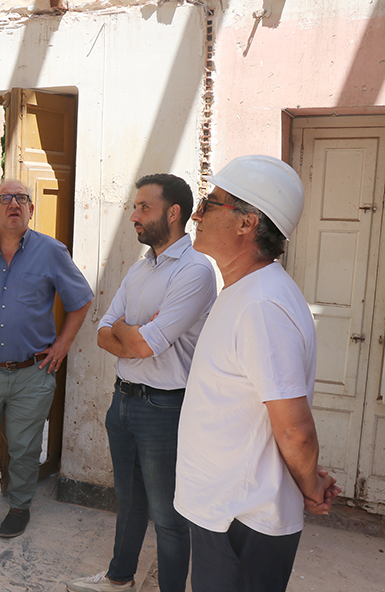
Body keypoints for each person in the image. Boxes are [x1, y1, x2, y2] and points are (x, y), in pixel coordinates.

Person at [174, 155, 341, 592]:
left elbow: (295, 431)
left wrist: (310, 487)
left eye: (210, 203)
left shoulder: (262, 305)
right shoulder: (245, 292)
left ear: (247, 223)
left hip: (244, 518)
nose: (197, 213)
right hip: (227, 512)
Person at [67, 175, 216, 592]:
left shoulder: (196, 271)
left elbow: (146, 346)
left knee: (168, 516)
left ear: (173, 213)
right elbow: (102, 332)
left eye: (143, 207)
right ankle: (119, 579)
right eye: (134, 207)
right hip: (124, 402)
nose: (134, 216)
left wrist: (131, 334)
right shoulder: (138, 270)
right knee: (129, 503)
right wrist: (133, 333)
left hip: (165, 409)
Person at [0, 179, 93, 538]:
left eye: (21, 198)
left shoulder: (52, 251)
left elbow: (81, 300)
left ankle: (20, 504)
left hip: (32, 371)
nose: (14, 204)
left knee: (25, 446)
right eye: (5, 199)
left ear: (30, 209)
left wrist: (63, 345)